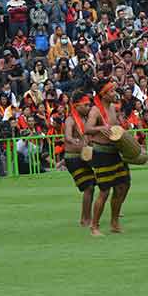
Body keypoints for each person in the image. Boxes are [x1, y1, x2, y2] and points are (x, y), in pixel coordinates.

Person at [85, 80, 131, 236]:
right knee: (104, 191)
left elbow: (116, 127)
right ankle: (94, 227)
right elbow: (87, 129)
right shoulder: (95, 110)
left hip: (114, 152)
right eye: (111, 91)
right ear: (103, 95)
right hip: (101, 153)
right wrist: (100, 128)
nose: (114, 94)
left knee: (122, 186)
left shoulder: (112, 108)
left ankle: (114, 222)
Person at [63, 91, 96, 227]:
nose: (89, 107)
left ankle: (86, 218)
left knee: (93, 186)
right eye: (86, 105)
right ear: (77, 106)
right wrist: (73, 140)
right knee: (89, 187)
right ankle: (85, 219)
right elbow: (67, 136)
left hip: (85, 156)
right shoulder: (70, 119)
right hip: (74, 159)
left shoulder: (86, 119)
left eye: (89, 105)